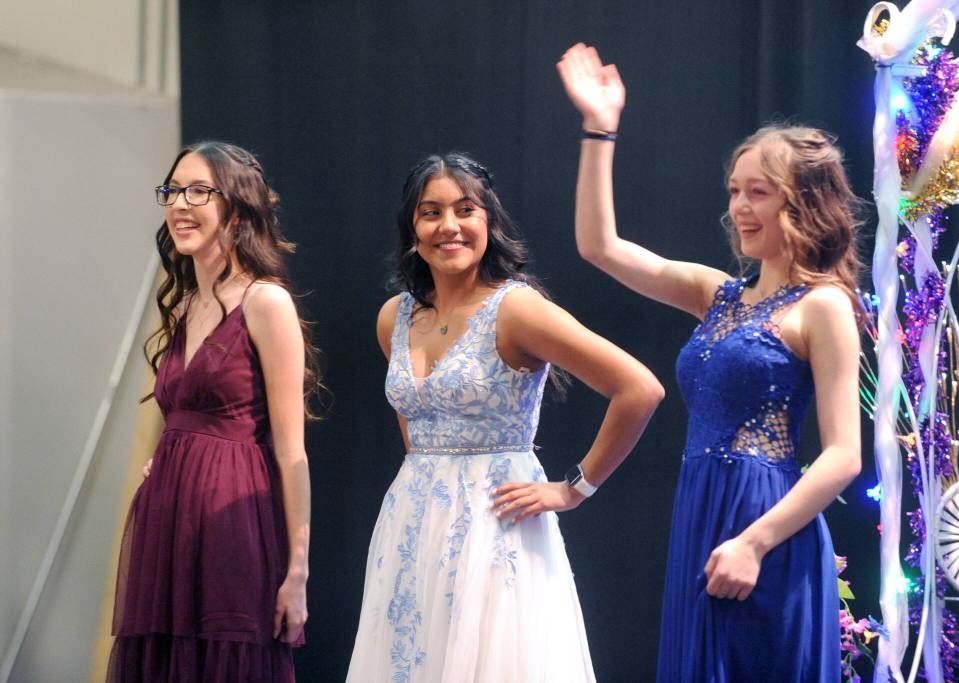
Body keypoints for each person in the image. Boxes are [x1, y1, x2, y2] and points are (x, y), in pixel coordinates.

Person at [557, 43, 863, 681]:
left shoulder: (824, 307)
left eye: (759, 193)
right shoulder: (715, 293)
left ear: (802, 202)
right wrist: (599, 127)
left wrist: (755, 541)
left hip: (766, 524)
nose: (740, 208)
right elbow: (599, 246)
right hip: (702, 508)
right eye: (734, 192)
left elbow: (843, 456)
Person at [346, 152, 664, 682]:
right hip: (411, 529)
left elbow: (639, 389)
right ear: (412, 229)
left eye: (465, 209)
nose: (449, 226)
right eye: (431, 212)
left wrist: (574, 488)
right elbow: (414, 420)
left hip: (496, 527)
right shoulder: (393, 318)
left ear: (487, 221)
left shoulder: (516, 309)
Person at [107, 142, 315, 683]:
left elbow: (292, 449)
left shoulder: (265, 303)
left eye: (198, 191)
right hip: (167, 520)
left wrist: (298, 570)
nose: (180, 203)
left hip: (232, 522)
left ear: (238, 208)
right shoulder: (181, 307)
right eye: (173, 191)